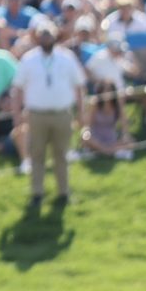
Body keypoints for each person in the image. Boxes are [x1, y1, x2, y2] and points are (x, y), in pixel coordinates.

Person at [11, 19, 88, 205]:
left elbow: (79, 86)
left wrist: (81, 112)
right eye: (42, 34)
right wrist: (17, 115)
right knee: (37, 154)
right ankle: (37, 193)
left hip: (62, 113)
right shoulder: (29, 59)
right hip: (36, 114)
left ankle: (63, 192)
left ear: (55, 36)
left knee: (61, 154)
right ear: (37, 37)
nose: (46, 38)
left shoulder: (66, 57)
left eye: (49, 34)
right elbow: (18, 88)